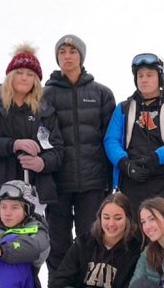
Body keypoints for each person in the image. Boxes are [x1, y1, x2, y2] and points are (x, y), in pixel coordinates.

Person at [42, 35, 116, 274]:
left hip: (92, 183)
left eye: (72, 52)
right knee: (58, 245)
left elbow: (109, 139)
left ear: (81, 56)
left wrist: (109, 181)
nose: (67, 56)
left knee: (91, 241)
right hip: (57, 183)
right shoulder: (44, 94)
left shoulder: (101, 93)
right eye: (62, 52)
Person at [0, 45, 64, 224]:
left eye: (30, 74)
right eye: (19, 72)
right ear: (10, 75)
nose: (24, 78)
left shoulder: (44, 110)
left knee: (27, 248)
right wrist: (13, 144)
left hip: (33, 191)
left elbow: (57, 150)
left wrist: (42, 162)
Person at [33, 192, 142, 288]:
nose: (111, 224)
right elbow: (61, 280)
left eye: (118, 218)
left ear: (128, 219)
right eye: (106, 218)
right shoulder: (85, 243)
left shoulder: (135, 250)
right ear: (99, 218)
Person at [105, 53, 164, 218]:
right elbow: (111, 141)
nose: (143, 79)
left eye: (149, 75)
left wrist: (156, 158)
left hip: (162, 181)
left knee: (160, 231)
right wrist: (124, 164)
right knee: (132, 236)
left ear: (161, 78)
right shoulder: (124, 108)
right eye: (140, 75)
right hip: (131, 179)